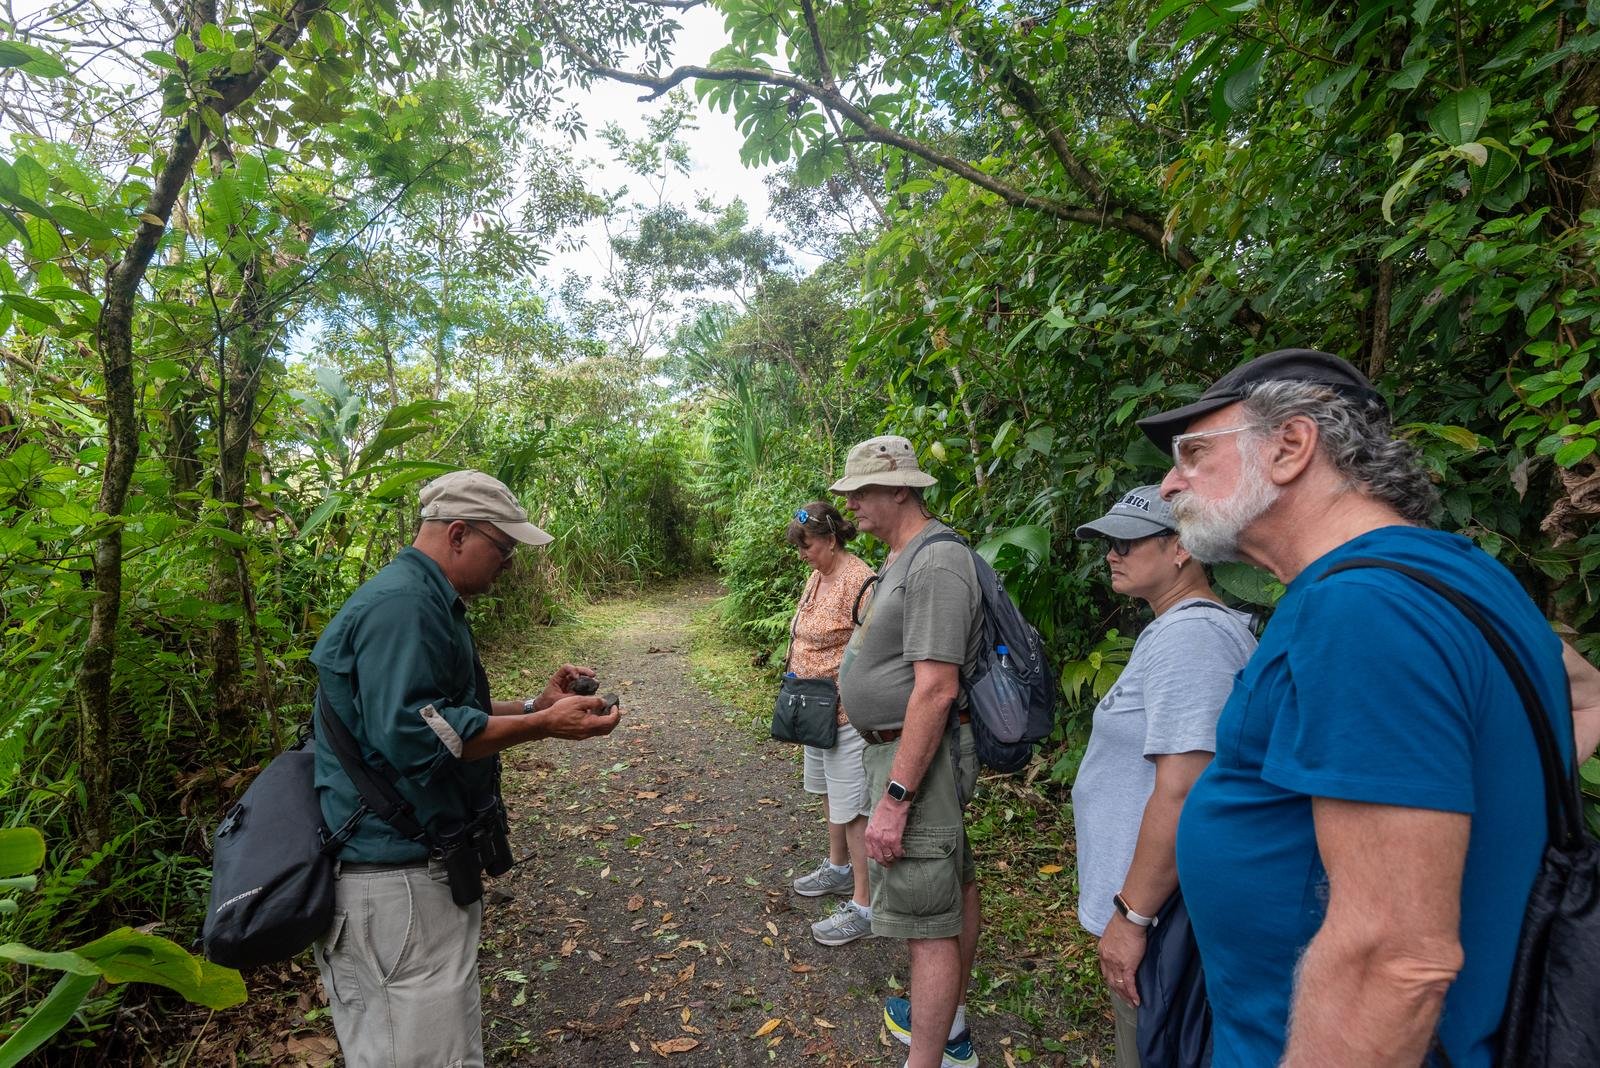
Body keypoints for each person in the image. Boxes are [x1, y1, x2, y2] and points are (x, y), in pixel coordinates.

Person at [1137, 349, 1572, 1066]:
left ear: (1290, 447)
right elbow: (1578, 695)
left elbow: (1394, 960)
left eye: (1192, 453)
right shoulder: (1459, 571)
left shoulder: (1363, 610)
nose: (1169, 482)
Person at [310, 470, 621, 1068]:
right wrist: (539, 727)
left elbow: (441, 712)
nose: (508, 564)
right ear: (457, 534)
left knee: (439, 1044)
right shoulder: (404, 605)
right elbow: (416, 738)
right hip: (391, 878)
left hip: (410, 869)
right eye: (501, 549)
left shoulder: (423, 598)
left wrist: (536, 706)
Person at [1071, 486, 1256, 1067]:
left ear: (1181, 549)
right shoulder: (1176, 631)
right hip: (1160, 910)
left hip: (1167, 916)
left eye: (1127, 542)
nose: (1112, 555)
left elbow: (1185, 789)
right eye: (1109, 543)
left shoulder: (1192, 639)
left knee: (1154, 1048)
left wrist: (1132, 918)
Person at [831, 435, 983, 1068]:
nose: (853, 505)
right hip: (899, 753)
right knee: (952, 887)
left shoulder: (936, 564)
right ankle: (948, 1024)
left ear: (901, 489)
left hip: (915, 759)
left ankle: (934, 1056)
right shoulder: (903, 556)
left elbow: (937, 687)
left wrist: (896, 797)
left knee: (925, 918)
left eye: (864, 491)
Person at [784, 500, 879, 945]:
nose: (802, 554)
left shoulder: (860, 579)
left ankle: (865, 904)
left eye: (806, 546)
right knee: (827, 793)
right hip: (815, 711)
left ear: (830, 539)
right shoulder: (817, 576)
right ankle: (838, 869)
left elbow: (874, 649)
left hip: (845, 714)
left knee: (854, 808)